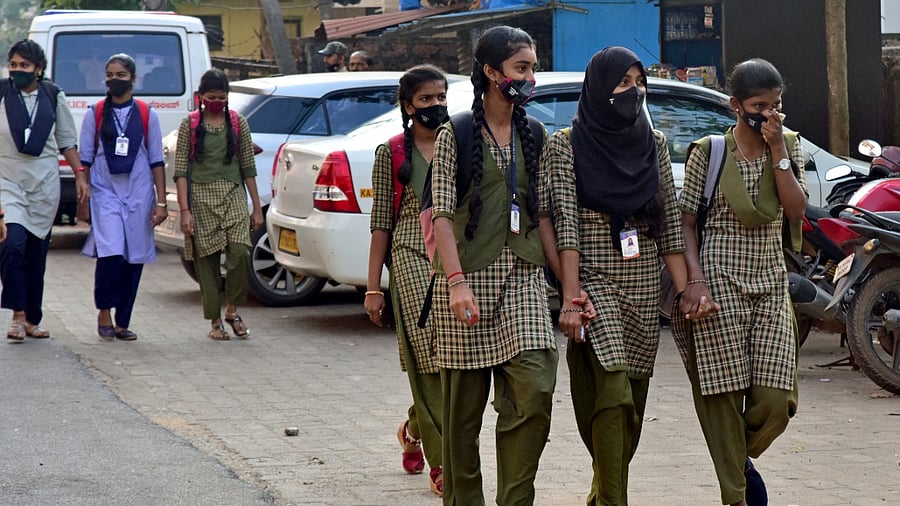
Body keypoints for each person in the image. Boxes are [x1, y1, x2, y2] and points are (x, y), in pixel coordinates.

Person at [544, 46, 690, 505]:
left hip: (644, 282)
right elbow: (564, 223)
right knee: (611, 392)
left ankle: (602, 487)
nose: (634, 91)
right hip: (592, 282)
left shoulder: (655, 145)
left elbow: (668, 226)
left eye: (637, 82)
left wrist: (686, 292)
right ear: (598, 88)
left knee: (634, 401)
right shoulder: (565, 145)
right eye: (622, 83)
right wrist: (571, 295)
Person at [430, 25, 557, 505]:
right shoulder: (456, 133)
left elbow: (542, 212)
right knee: (461, 422)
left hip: (523, 277)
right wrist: (456, 282)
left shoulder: (534, 133)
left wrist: (567, 285)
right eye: (521, 68)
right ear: (490, 72)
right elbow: (441, 211)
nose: (530, 78)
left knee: (536, 388)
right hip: (467, 281)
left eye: (532, 68)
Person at [676, 58, 806, 506]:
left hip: (770, 282)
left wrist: (779, 155)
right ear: (735, 105)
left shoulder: (788, 146)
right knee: (723, 392)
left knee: (775, 400)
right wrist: (694, 281)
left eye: (777, 105)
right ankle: (737, 495)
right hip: (719, 281)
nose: (769, 114)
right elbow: (686, 223)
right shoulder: (709, 153)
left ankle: (736, 456)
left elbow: (795, 211)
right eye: (759, 106)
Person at [365, 64, 448, 497]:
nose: (436, 106)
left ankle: (414, 428)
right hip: (412, 257)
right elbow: (381, 223)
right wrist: (374, 287)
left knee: (452, 362)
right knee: (431, 355)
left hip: (456, 261)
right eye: (426, 99)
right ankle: (442, 463)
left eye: (441, 97)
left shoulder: (460, 141)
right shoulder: (392, 152)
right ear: (408, 105)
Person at [77, 53, 167, 342]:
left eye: (121, 75)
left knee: (133, 257)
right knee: (111, 253)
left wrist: (161, 202)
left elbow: (156, 160)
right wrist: (84, 192)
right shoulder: (96, 112)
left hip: (139, 192)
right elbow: (85, 158)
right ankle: (104, 310)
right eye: (110, 75)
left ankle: (122, 321)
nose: (114, 80)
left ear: (133, 79)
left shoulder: (146, 113)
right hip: (105, 190)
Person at [1, 39, 84, 342]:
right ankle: (17, 316)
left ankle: (32, 319)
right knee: (12, 245)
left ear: (38, 68)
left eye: (24, 65)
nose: (17, 71)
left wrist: (81, 175)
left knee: (36, 255)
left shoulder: (52, 95)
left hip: (44, 184)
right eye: (13, 65)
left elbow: (66, 140)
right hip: (6, 181)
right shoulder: (1, 93)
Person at [173, 69, 263, 341]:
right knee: (207, 263)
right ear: (201, 97)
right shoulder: (189, 125)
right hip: (200, 198)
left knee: (240, 253)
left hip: (233, 194)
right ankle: (215, 321)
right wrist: (185, 211)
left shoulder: (239, 123)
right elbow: (180, 171)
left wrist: (257, 207)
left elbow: (248, 165)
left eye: (222, 97)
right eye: (212, 97)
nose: (217, 102)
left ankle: (233, 311)